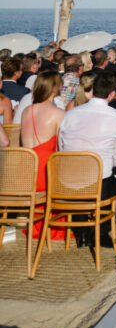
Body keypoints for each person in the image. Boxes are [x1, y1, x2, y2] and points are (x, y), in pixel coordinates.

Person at [58, 72, 116, 201]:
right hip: (99, 184)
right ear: (112, 94)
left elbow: (60, 148)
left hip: (67, 181)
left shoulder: (70, 114)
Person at [19, 72, 65, 240]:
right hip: (46, 173)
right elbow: (61, 149)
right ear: (54, 88)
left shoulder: (26, 111)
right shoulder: (58, 113)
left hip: (27, 170)